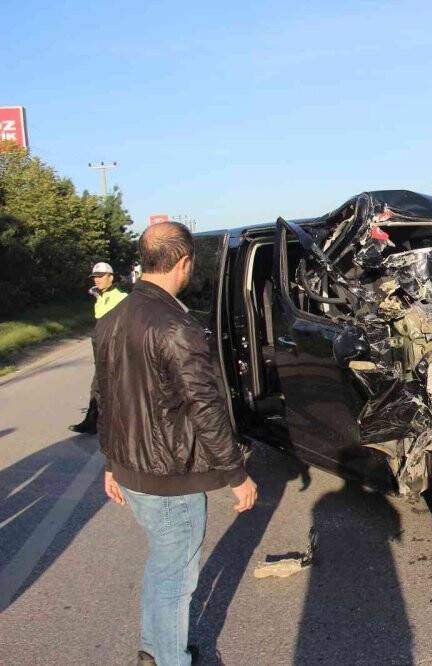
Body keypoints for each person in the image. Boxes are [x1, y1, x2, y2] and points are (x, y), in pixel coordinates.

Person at [94, 222, 258, 666]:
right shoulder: (176, 326)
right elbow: (205, 405)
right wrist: (235, 473)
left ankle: (157, 649)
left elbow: (104, 398)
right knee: (175, 577)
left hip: (132, 470)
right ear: (184, 263)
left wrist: (111, 463)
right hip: (170, 478)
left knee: (162, 566)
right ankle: (170, 658)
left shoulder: (110, 321)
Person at [69, 262, 128, 434]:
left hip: (114, 350)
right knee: (98, 386)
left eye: (101, 276)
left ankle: (118, 424)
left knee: (116, 387)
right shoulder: (100, 296)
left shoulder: (121, 297)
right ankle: (92, 421)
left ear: (111, 277)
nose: (97, 280)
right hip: (101, 349)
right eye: (95, 277)